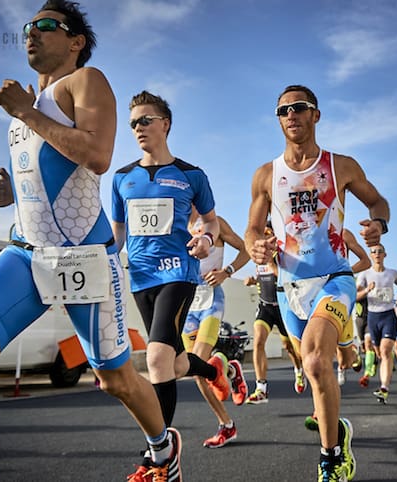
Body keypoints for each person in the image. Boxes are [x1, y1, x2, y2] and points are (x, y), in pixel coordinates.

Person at [0, 3, 181, 481]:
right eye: (29, 26)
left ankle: (162, 448)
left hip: (84, 256)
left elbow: (97, 156)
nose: (32, 33)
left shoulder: (86, 81)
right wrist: (9, 195)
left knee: (115, 379)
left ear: (75, 43)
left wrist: (26, 111)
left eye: (47, 25)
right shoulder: (24, 108)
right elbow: (47, 184)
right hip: (25, 252)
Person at [245, 84, 390, 481]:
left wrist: (379, 223)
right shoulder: (266, 175)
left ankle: (330, 458)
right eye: (283, 110)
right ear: (278, 119)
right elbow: (252, 230)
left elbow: (378, 202)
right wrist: (257, 248)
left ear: (315, 115)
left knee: (314, 360)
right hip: (290, 289)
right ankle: (337, 428)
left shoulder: (339, 165)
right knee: (312, 369)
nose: (291, 115)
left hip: (334, 278)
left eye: (299, 108)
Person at [111, 90, 235, 475]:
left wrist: (206, 239)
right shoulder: (121, 178)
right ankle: (215, 369)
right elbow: (116, 236)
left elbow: (212, 222)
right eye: (133, 123)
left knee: (156, 359)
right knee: (176, 363)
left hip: (179, 272)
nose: (138, 128)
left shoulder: (191, 175)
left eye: (145, 120)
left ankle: (159, 456)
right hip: (141, 278)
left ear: (165, 124)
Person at [183, 213, 250, 448]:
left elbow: (246, 249)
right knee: (194, 369)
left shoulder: (215, 223)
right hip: (186, 305)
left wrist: (227, 272)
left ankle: (226, 425)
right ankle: (230, 373)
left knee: (197, 360)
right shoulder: (175, 223)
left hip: (211, 300)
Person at [244, 222, 306, 404]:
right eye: (261, 233)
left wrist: (272, 263)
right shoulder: (259, 253)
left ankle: (299, 370)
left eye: (267, 233)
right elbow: (263, 275)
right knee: (258, 341)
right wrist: (252, 280)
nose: (264, 237)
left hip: (283, 305)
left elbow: (288, 277)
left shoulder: (284, 253)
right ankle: (261, 388)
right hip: (265, 305)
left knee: (290, 348)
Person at [355, 244, 397, 403]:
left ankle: (384, 387)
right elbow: (356, 295)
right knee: (379, 353)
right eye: (374, 252)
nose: (377, 254)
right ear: (371, 256)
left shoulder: (392, 273)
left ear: (385, 254)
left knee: (385, 352)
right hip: (372, 316)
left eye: (380, 251)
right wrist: (366, 291)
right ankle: (384, 372)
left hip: (388, 315)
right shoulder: (364, 275)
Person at [336, 228, 372, 386]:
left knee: (341, 345)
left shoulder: (343, 233)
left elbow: (366, 261)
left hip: (339, 290)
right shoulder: (305, 232)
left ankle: (350, 357)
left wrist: (345, 272)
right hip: (313, 292)